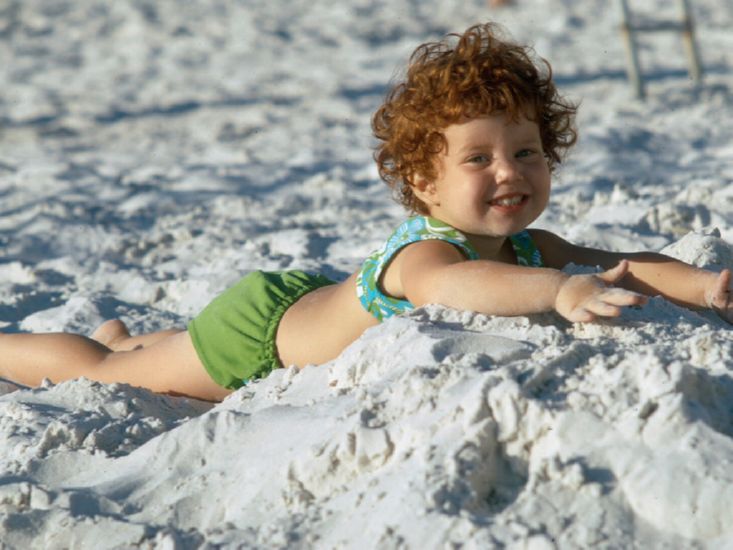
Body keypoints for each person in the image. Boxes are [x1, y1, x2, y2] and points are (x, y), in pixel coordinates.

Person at [1, 23, 730, 402]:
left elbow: (619, 265)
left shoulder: (536, 241)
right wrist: (562, 291)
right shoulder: (427, 257)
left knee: (151, 350)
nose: (508, 172)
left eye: (526, 153)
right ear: (424, 182)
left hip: (301, 302)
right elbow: (460, 288)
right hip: (254, 344)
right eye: (477, 160)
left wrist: (701, 286)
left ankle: (128, 335)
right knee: (106, 375)